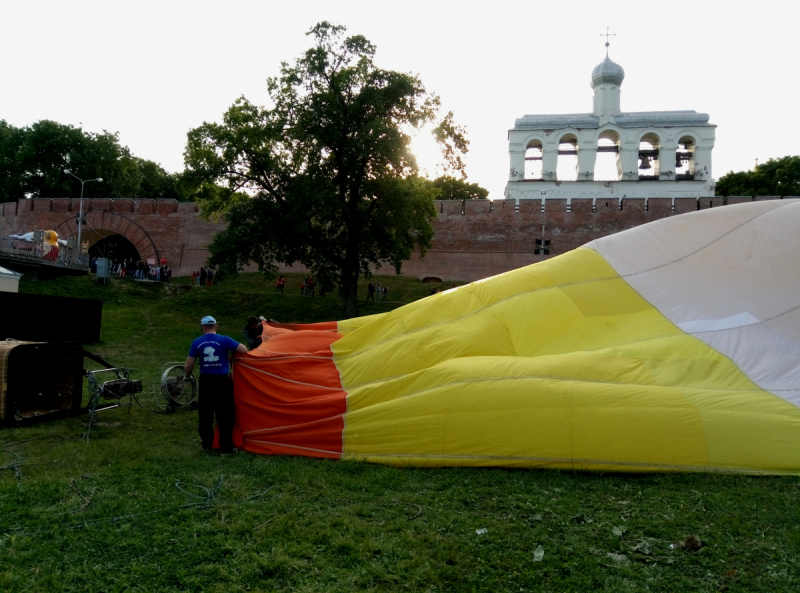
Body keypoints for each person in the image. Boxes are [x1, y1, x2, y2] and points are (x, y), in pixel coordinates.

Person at [185, 316, 247, 455]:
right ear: (215, 326)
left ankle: (207, 444)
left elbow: (189, 364)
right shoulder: (224, 340)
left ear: (203, 327)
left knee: (205, 415)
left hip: (206, 382)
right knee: (225, 415)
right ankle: (226, 448)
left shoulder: (197, 342)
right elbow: (244, 349)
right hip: (222, 382)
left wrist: (187, 375)